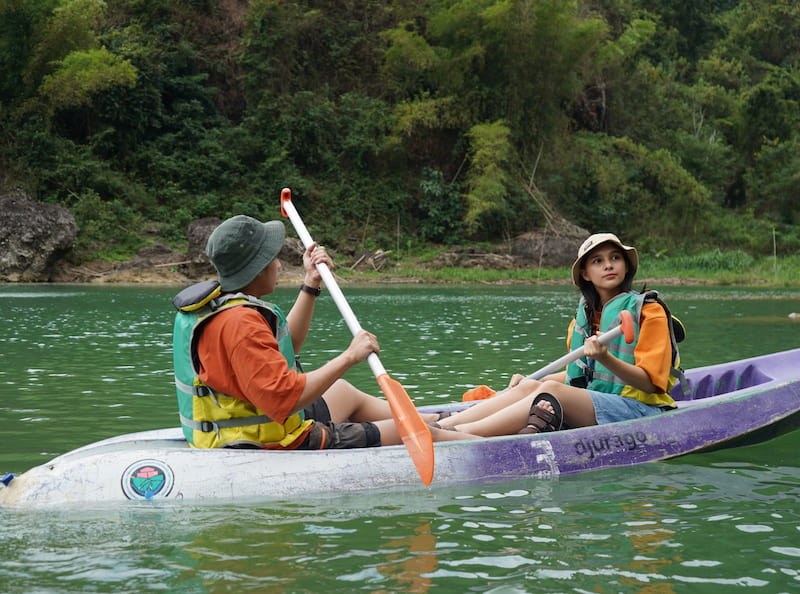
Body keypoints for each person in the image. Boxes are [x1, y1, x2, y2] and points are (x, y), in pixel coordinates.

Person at [172, 214, 476, 450]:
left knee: (343, 391)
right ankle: (469, 438)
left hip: (255, 424)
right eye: (272, 259)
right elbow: (285, 400)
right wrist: (349, 356)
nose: (278, 265)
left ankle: (443, 421)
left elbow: (283, 346)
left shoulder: (221, 309)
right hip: (268, 442)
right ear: (258, 268)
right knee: (414, 433)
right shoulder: (239, 322)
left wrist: (311, 282)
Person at [435, 233, 681, 436]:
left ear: (625, 266)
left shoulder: (650, 312)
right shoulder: (583, 319)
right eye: (597, 261)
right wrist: (533, 383)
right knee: (535, 384)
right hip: (601, 403)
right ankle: (441, 424)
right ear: (585, 273)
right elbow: (583, 373)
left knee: (554, 391)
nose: (608, 265)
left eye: (615, 257)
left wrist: (606, 358)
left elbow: (651, 384)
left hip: (642, 411)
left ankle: (455, 435)